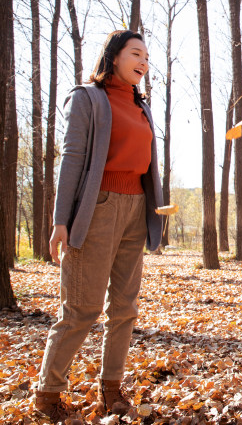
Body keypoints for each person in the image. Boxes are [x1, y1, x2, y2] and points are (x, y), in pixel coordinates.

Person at [35, 30, 164, 419]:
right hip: (98, 208)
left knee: (125, 308)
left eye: (146, 56)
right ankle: (47, 394)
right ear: (114, 56)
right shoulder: (87, 98)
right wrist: (61, 221)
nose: (143, 61)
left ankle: (111, 390)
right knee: (81, 309)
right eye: (136, 53)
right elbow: (72, 158)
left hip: (136, 210)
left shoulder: (142, 106)